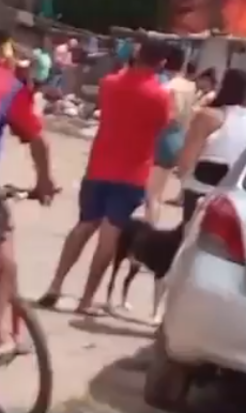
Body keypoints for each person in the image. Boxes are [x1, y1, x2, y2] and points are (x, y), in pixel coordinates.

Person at [38, 39, 170, 315]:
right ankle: (86, 300)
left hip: (99, 166)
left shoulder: (109, 83)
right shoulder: (159, 96)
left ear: (137, 53)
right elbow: (160, 127)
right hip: (132, 173)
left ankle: (55, 284)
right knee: (110, 235)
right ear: (162, 63)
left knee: (84, 225)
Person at [0, 62, 56, 353]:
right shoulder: (7, 86)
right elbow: (38, 140)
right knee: (4, 262)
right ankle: (1, 334)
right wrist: (44, 183)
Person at [179, 68, 246, 224]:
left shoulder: (209, 116)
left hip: (201, 190)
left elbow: (186, 159)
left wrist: (183, 185)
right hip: (231, 196)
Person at [146, 46, 196, 224]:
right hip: (179, 139)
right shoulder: (190, 86)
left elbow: (168, 115)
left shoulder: (166, 86)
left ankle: (148, 232)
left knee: (152, 196)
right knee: (157, 193)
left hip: (163, 139)